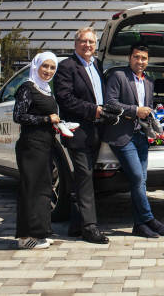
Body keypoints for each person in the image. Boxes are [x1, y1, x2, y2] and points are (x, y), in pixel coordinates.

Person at [103, 43, 164, 238]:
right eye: (137, 57)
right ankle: (148, 219)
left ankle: (139, 225)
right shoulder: (118, 76)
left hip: (141, 135)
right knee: (138, 177)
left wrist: (156, 129)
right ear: (129, 58)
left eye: (144, 58)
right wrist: (134, 110)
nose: (140, 61)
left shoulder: (149, 81)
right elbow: (110, 102)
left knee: (141, 181)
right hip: (122, 136)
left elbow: (148, 108)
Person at [53, 27, 109, 244]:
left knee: (83, 178)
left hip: (96, 131)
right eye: (84, 41)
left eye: (91, 42)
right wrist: (93, 110)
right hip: (77, 131)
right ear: (75, 44)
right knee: (85, 178)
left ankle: (76, 224)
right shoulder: (67, 66)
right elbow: (65, 98)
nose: (88, 46)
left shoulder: (97, 65)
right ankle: (90, 227)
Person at [12, 52, 60, 249]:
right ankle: (25, 237)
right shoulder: (27, 88)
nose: (48, 71)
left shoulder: (46, 89)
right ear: (37, 66)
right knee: (30, 190)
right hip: (31, 145)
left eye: (52, 67)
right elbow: (19, 116)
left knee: (43, 189)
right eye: (45, 66)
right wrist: (46, 120)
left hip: (45, 145)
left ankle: (40, 232)